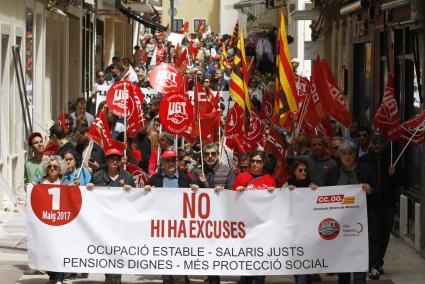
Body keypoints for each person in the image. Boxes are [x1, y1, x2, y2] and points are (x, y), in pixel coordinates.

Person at [324, 141, 375, 284]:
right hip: (339, 225)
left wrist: (370, 190)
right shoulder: (332, 173)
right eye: (344, 154)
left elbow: (377, 192)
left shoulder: (366, 170)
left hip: (361, 226)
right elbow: (324, 196)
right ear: (339, 155)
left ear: (355, 154)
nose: (347, 157)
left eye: (350, 153)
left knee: (359, 262)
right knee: (342, 264)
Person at [144, 150, 197, 284]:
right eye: (167, 160)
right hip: (162, 227)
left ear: (177, 162)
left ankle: (180, 278)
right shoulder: (155, 178)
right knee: (165, 260)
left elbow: (195, 197)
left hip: (181, 227)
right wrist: (146, 190)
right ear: (162, 162)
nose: (171, 163)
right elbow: (143, 197)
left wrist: (198, 188)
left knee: (179, 260)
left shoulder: (185, 178)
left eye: (173, 160)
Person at [86, 147, 135, 284]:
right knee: (106, 251)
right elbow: (89, 197)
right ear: (106, 161)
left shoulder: (127, 177)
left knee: (117, 251)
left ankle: (116, 279)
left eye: (117, 159)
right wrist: (89, 188)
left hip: (121, 223)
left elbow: (136, 199)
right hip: (103, 222)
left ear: (120, 162)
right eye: (111, 159)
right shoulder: (97, 176)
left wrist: (131, 190)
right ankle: (109, 277)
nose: (114, 161)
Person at [359, 133, 399, 280]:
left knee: (384, 236)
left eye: (380, 143)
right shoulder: (363, 161)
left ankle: (379, 262)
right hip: (371, 205)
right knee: (374, 236)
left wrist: (393, 174)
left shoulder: (392, 161)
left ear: (384, 144)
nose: (377, 145)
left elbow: (400, 182)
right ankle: (373, 266)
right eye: (374, 142)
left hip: (388, 205)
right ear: (370, 144)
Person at [32, 155, 68, 284]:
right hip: (44, 223)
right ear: (46, 168)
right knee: (47, 251)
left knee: (60, 250)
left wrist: (75, 188)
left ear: (60, 169)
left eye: (55, 167)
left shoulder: (65, 183)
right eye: (50, 166)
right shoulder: (39, 182)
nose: (52, 169)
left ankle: (59, 278)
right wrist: (31, 188)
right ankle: (52, 277)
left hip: (61, 223)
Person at [287, 159, 317, 284]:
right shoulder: (287, 186)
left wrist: (316, 191)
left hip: (309, 230)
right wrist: (286, 192)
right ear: (294, 172)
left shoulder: (313, 186)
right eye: (300, 170)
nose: (303, 172)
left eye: (305, 170)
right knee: (299, 265)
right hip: (294, 231)